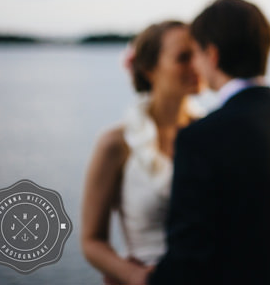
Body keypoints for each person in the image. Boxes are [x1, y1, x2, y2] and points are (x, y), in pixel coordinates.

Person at [147, 0, 270, 285]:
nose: (195, 64)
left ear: (211, 55)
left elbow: (187, 262)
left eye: (196, 53)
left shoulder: (200, 139)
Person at [82, 21, 204, 285]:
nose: (196, 65)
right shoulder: (115, 144)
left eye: (199, 53)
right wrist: (134, 276)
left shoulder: (214, 134)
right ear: (149, 69)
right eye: (184, 57)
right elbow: (91, 240)